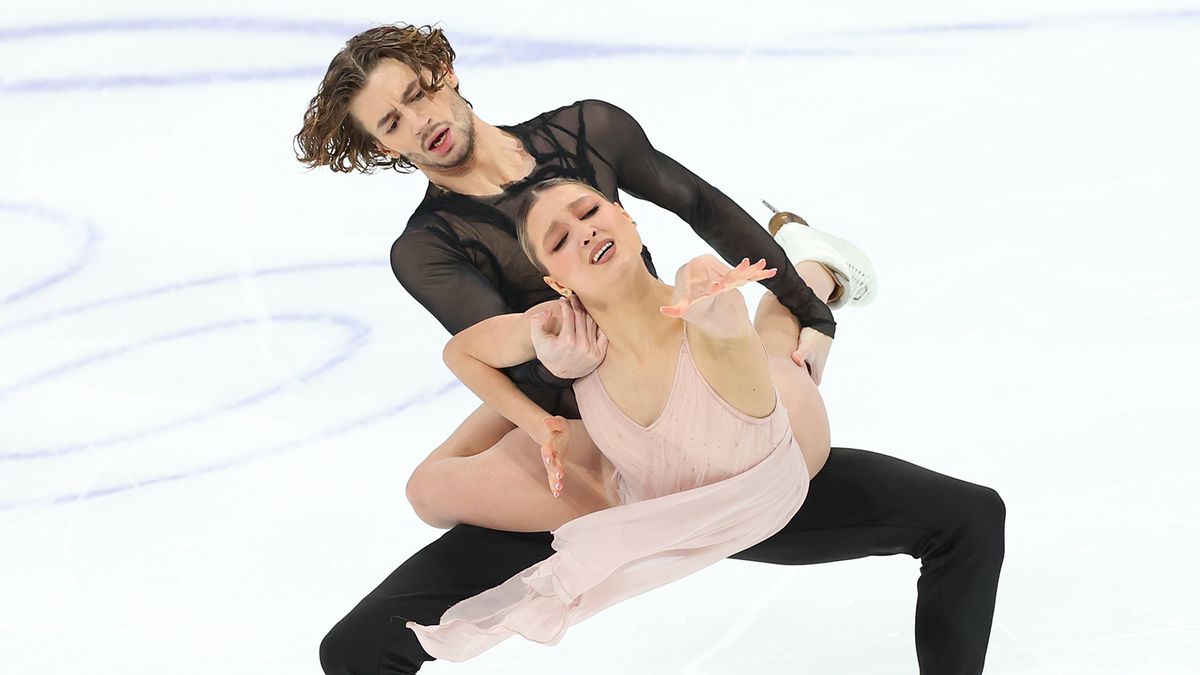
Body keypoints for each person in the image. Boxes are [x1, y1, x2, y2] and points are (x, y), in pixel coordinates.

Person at [294, 23, 1005, 675]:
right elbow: (502, 354)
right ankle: (813, 262)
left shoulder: (586, 130)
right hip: (599, 457)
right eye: (393, 122)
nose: (420, 121)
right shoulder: (428, 247)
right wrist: (546, 390)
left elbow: (701, 206)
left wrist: (811, 310)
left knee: (963, 515)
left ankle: (812, 268)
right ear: (384, 147)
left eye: (418, 94)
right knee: (360, 646)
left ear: (445, 72)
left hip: (699, 412)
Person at [407, 178, 824, 660]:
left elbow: (723, 317)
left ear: (626, 218)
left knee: (777, 346)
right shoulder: (559, 325)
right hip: (642, 485)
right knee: (426, 492)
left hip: (772, 474)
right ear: (557, 283)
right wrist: (538, 417)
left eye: (588, 213)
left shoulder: (705, 300)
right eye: (559, 240)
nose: (583, 232)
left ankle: (814, 261)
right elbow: (461, 353)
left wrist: (708, 292)